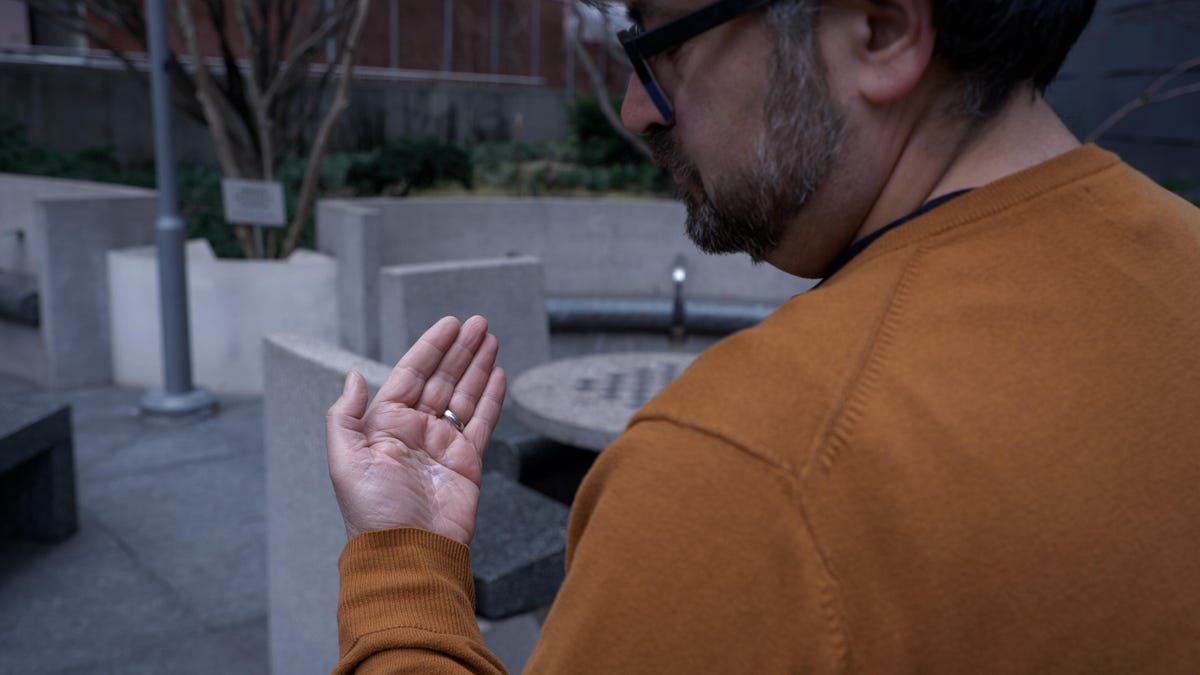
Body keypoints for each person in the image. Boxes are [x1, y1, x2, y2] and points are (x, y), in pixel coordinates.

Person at [326, 0, 1200, 671]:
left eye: (658, 38)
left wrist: (404, 570)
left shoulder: (747, 474)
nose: (636, 109)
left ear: (882, 29)